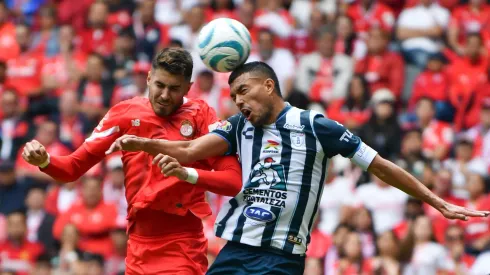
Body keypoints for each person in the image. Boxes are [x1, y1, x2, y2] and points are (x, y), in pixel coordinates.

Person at [105, 61, 489, 274]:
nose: (237, 101)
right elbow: (189, 149)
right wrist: (142, 142)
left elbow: (381, 166)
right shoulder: (239, 126)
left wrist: (437, 202)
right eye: (233, 94)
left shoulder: (317, 127)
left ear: (269, 86)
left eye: (244, 91)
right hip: (235, 249)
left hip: (281, 257)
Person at [21, 48, 242, 275]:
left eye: (174, 88)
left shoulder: (203, 116)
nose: (165, 95)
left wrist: (186, 174)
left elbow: (233, 181)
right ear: (148, 78)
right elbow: (72, 168)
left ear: (188, 87)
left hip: (182, 244)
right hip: (137, 247)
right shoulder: (124, 113)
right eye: (159, 85)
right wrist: (45, 161)